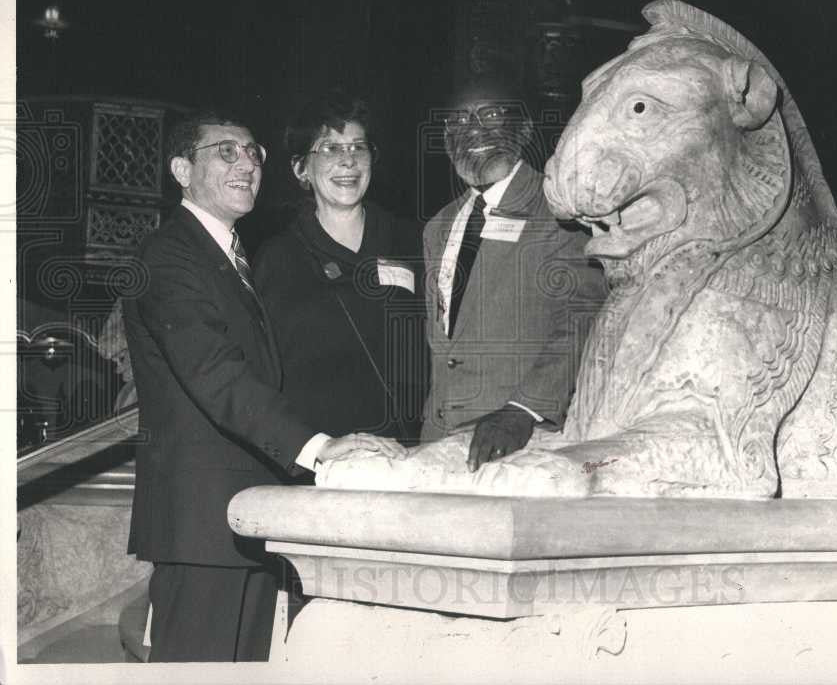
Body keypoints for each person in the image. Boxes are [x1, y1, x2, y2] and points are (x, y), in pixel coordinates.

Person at [123, 110, 402, 662]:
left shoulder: (232, 254)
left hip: (245, 519)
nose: (246, 164)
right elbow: (216, 376)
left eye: (253, 152)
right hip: (201, 526)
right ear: (182, 169)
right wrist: (319, 449)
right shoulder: (169, 254)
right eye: (226, 152)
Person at [421, 74, 607, 471]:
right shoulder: (439, 226)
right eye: (458, 120)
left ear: (522, 129)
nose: (473, 130)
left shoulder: (558, 210)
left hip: (520, 444)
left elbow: (583, 317)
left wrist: (522, 411)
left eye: (490, 114)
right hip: (438, 448)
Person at [253, 92, 426, 453]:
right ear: (301, 168)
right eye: (330, 149)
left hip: (406, 453)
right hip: (321, 459)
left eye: (358, 148)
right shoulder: (276, 258)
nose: (348, 161)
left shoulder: (414, 242)